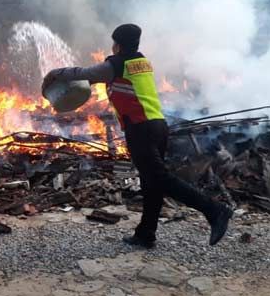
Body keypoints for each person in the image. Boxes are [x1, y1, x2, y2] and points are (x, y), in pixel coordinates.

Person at [42, 24, 233, 248]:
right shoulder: (142, 62)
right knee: (151, 182)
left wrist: (55, 73)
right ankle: (146, 233)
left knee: (160, 178)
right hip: (159, 126)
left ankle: (215, 210)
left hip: (141, 129)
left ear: (118, 44)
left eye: (114, 42)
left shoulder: (116, 64)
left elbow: (83, 75)